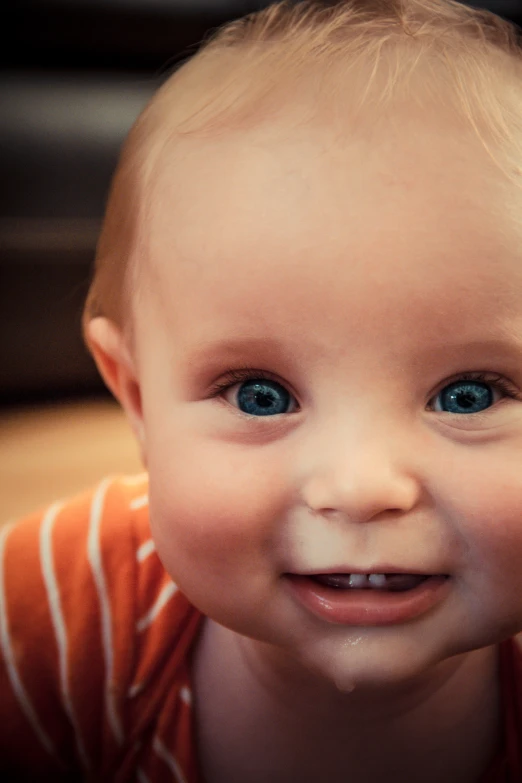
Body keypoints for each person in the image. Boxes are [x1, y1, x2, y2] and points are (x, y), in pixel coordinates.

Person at [2, 0, 522, 780]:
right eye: (260, 396)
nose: (359, 487)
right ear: (137, 400)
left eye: (470, 395)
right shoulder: (58, 602)